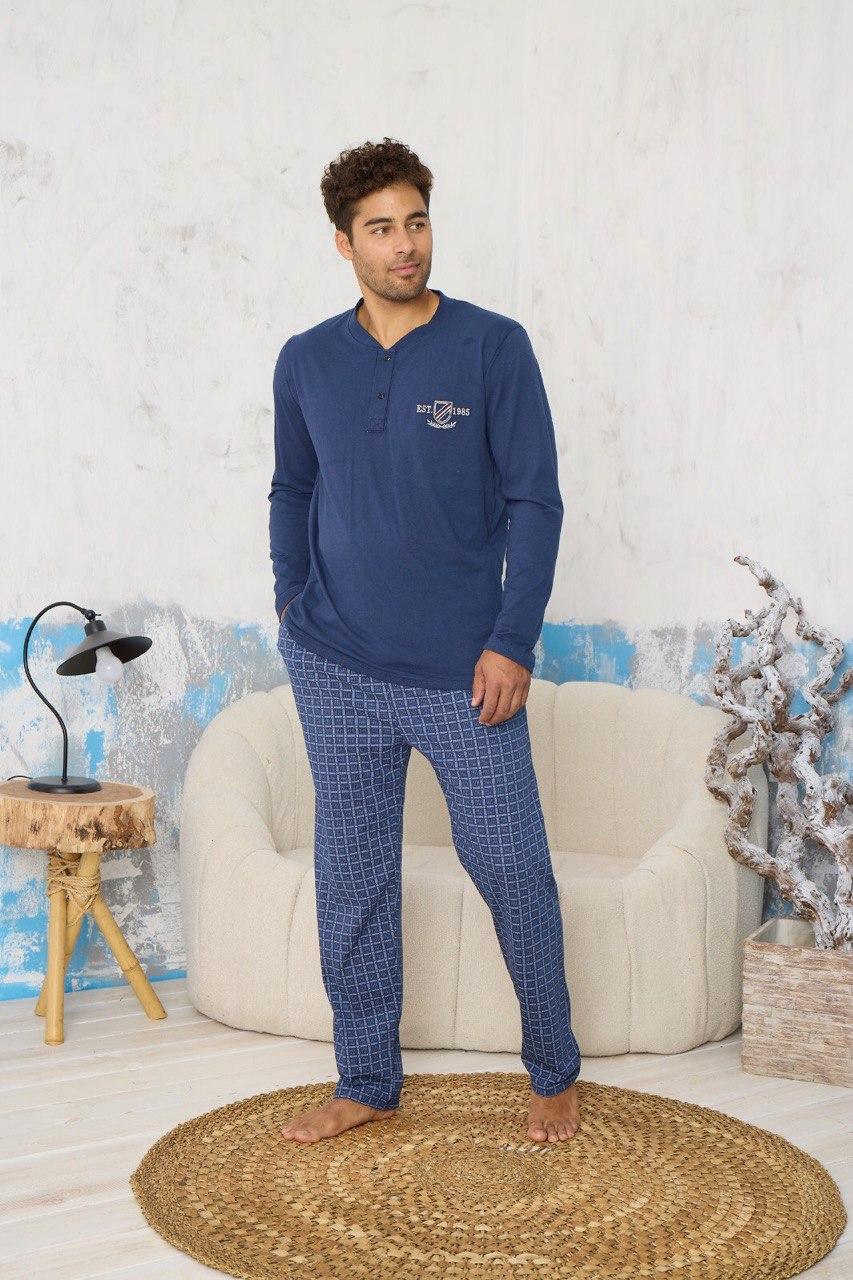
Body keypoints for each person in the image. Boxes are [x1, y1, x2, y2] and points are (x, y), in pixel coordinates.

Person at [269, 137, 581, 1145]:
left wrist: (512, 642)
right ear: (344, 243)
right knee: (353, 880)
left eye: (416, 221)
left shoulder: (493, 347)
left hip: (464, 672)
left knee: (512, 869)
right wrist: (290, 603)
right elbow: (292, 488)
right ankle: (365, 1079)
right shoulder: (307, 360)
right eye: (380, 229)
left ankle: (552, 1069)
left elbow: (535, 501)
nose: (404, 245)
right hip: (333, 663)